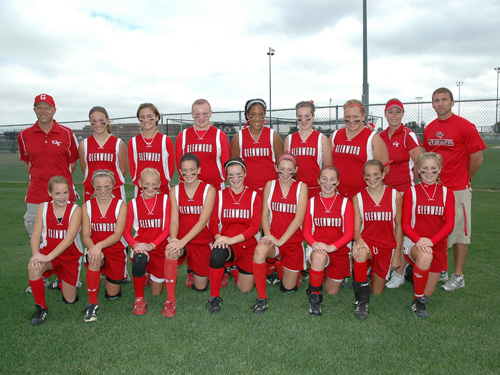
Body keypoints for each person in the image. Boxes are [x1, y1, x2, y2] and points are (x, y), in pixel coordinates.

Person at [423, 87, 487, 291]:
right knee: (436, 229)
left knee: (459, 233)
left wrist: (464, 178)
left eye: (444, 99)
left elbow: (477, 157)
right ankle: (441, 269)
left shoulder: (465, 126)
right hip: (436, 188)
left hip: (458, 188)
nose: (440, 103)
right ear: (432, 104)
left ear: (452, 102)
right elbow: (429, 158)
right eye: (436, 100)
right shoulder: (430, 127)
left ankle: (458, 275)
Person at [251, 153, 307, 315]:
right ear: (276, 168)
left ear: (295, 170)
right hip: (273, 237)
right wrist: (268, 236)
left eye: (289, 170)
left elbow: (299, 219)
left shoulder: (301, 187)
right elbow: (264, 214)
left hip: (292, 241)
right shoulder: (270, 185)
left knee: (288, 288)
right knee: (260, 251)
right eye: (281, 169)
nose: (285, 173)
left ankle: (279, 267)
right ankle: (262, 298)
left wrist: (281, 241)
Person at [402, 152, 455, 318]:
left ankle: (413, 272)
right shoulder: (411, 192)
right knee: (424, 257)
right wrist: (420, 241)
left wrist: (431, 241)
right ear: (418, 170)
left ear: (439, 169)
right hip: (414, 243)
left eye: (433, 169)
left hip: (436, 245)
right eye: (425, 169)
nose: (429, 172)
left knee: (429, 291)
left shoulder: (447, 193)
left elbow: (449, 224)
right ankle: (417, 302)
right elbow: (404, 225)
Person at [18, 93, 79, 236]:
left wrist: (60, 183)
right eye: (39, 107)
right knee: (37, 239)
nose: (43, 111)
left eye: (47, 107)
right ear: (34, 110)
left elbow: (72, 164)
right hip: (36, 194)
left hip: (64, 195)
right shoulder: (24, 135)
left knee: (66, 237)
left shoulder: (67, 133)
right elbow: (28, 164)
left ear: (54, 110)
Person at [163, 153, 216, 317]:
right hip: (182, 241)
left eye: (192, 170)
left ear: (199, 169)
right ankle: (170, 300)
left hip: (201, 242)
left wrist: (182, 241)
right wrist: (174, 240)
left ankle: (192, 269)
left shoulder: (209, 189)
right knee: (171, 251)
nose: (188, 174)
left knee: (200, 288)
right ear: (180, 171)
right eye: (184, 171)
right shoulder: (175, 191)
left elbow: (202, 221)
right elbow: (174, 220)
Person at [207, 158, 262, 313]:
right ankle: (214, 297)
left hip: (248, 244)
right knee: (216, 254)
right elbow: (212, 224)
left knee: (245, 289)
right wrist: (219, 238)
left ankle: (233, 270)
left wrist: (232, 239)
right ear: (226, 176)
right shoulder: (220, 195)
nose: (235, 179)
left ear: (245, 174)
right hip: (227, 244)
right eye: (231, 176)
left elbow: (254, 227)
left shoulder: (253, 196)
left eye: (239, 174)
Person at [379, 99, 423, 289]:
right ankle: (388, 266)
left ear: (403, 114)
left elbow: (420, 162)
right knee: (387, 229)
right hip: (385, 191)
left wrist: (410, 186)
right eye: (390, 112)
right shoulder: (379, 136)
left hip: (404, 190)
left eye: (398, 112)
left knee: (403, 231)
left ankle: (399, 272)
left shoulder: (408, 134)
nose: (394, 115)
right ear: (385, 114)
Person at [27, 176, 83, 326]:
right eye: (57, 193)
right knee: (34, 268)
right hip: (49, 253)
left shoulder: (76, 210)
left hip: (70, 256)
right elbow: (36, 235)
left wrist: (47, 257)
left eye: (65, 192)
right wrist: (37, 255)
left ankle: (60, 281)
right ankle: (41, 308)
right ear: (50, 193)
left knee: (70, 300)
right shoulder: (43, 207)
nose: (62, 197)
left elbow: (69, 239)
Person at [351, 160, 403, 319]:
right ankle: (361, 301)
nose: (372, 179)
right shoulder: (358, 198)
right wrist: (359, 241)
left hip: (386, 246)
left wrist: (396, 255)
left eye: (376, 175)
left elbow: (399, 226)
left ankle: (366, 274)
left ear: (383, 174)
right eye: (368, 176)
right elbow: (355, 228)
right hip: (368, 243)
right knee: (360, 254)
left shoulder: (395, 195)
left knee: (377, 292)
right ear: (364, 177)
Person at [303, 166, 354, 317]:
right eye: (324, 179)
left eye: (332, 179)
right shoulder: (311, 202)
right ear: (318, 181)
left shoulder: (346, 203)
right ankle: (315, 297)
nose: (327, 183)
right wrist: (315, 244)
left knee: (332, 291)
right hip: (318, 248)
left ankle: (317, 278)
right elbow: (306, 231)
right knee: (319, 257)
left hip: (338, 249)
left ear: (337, 182)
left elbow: (349, 233)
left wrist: (332, 247)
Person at [81, 170, 127, 323]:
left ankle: (106, 276)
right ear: (93, 187)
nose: (103, 191)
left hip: (115, 252)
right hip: (96, 251)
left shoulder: (120, 205)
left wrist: (99, 246)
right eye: (98, 187)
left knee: (112, 296)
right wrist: (95, 248)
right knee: (94, 259)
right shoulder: (86, 206)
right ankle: (92, 303)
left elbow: (117, 234)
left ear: (113, 186)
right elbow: (85, 236)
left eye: (107, 187)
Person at [123, 168, 171, 316]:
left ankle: (148, 273)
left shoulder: (165, 200)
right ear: (139, 184)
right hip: (142, 245)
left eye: (154, 185)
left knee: (156, 293)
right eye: (146, 185)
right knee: (139, 260)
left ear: (159, 184)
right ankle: (139, 298)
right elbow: (125, 231)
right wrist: (135, 245)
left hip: (159, 246)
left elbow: (168, 229)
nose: (150, 188)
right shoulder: (133, 204)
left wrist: (153, 245)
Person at [330, 99, 389, 199]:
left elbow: (385, 169)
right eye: (347, 117)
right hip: (338, 196)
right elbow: (329, 164)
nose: (351, 121)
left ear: (363, 116)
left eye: (355, 117)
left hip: (363, 197)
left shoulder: (373, 139)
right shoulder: (335, 136)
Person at [231, 98, 284, 198]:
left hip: (270, 189)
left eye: (261, 115)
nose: (257, 118)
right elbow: (234, 167)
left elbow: (281, 163)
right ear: (247, 115)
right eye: (252, 115)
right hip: (247, 189)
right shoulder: (239, 138)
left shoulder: (273, 136)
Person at [175, 99, 230, 190]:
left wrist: (219, 179)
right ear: (192, 114)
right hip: (189, 187)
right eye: (197, 115)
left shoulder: (220, 135)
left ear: (210, 113)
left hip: (215, 186)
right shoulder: (183, 136)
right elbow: (179, 163)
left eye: (205, 114)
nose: (201, 118)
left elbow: (226, 161)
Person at [284, 100, 333, 197]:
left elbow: (328, 168)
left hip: (315, 188)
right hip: (295, 188)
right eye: (300, 117)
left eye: (307, 116)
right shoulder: (289, 139)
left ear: (313, 116)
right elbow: (286, 166)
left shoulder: (322, 139)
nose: (303, 120)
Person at [79, 106, 127, 202]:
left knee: (118, 216)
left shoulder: (118, 143)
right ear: (90, 122)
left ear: (108, 120)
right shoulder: (84, 144)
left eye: (101, 121)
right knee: (91, 216)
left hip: (114, 189)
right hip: (92, 189)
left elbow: (123, 171)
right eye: (94, 121)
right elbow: (86, 169)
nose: (98, 124)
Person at [128, 103, 175, 197]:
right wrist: (142, 185)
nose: (146, 120)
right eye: (142, 117)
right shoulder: (133, 142)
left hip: (161, 189)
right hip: (141, 190)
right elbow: (133, 169)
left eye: (149, 116)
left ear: (157, 117)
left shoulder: (165, 140)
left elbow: (170, 168)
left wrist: (158, 185)